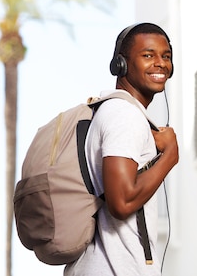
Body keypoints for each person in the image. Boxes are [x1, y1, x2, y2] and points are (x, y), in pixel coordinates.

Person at [64, 22, 179, 276]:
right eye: (148, 55)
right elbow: (121, 201)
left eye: (166, 56)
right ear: (121, 65)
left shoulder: (114, 112)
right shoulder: (124, 115)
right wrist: (169, 157)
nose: (160, 63)